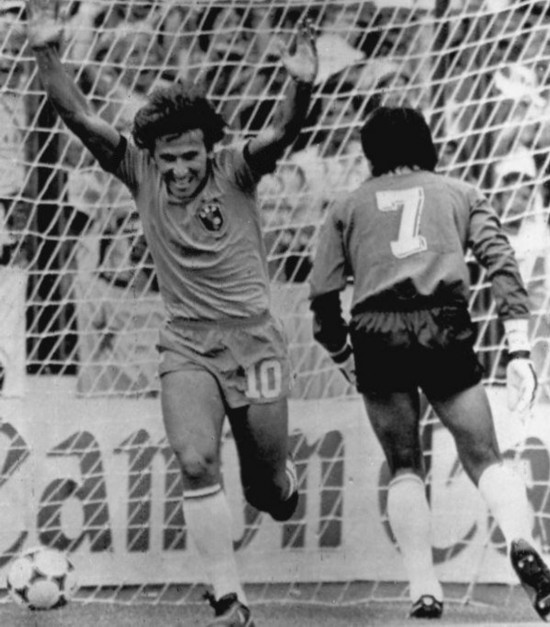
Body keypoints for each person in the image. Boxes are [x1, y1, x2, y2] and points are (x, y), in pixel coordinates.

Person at [26, 1, 318, 625]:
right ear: (152, 154)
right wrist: (47, 49)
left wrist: (299, 83)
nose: (180, 168)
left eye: (190, 155)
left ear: (209, 149)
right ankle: (229, 596)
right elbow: (78, 115)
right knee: (194, 460)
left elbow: (282, 133)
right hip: (186, 344)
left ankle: (280, 483)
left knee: (268, 492)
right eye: (169, 157)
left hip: (255, 343)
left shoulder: (238, 169)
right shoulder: (136, 170)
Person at [308, 106, 546, 621]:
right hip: (443, 322)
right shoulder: (460, 192)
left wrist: (343, 353)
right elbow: (501, 261)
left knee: (404, 465)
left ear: (371, 154)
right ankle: (522, 541)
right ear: (427, 145)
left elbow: (323, 295)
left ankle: (423, 587)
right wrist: (518, 348)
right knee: (484, 456)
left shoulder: (348, 206)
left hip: (377, 328)